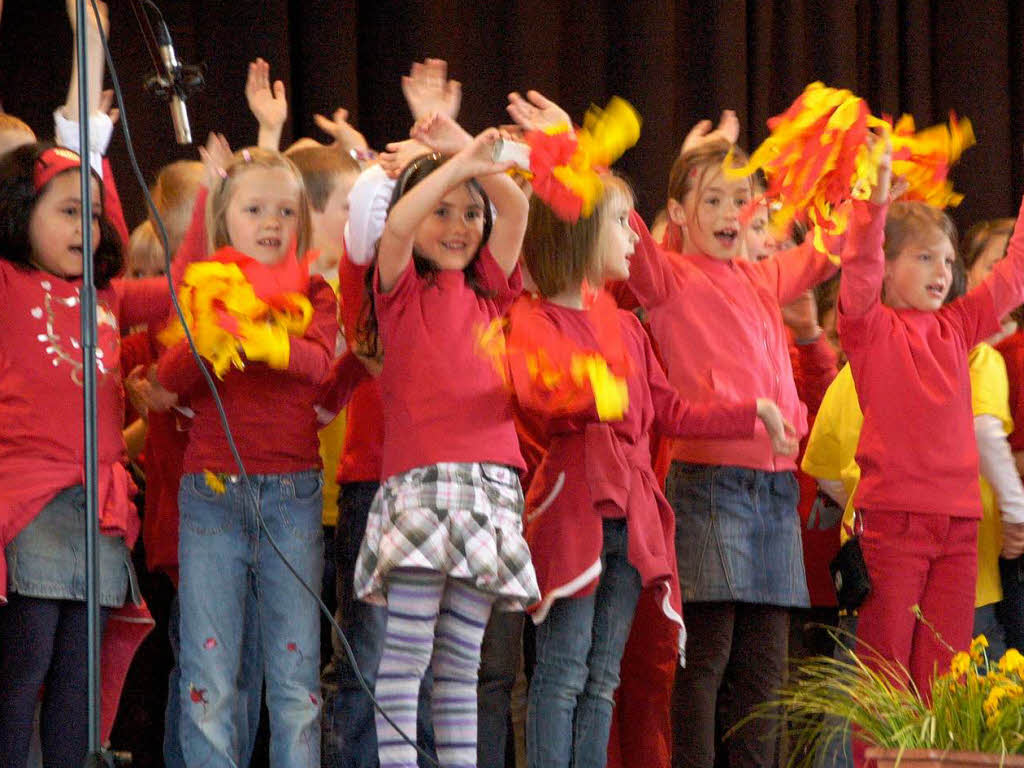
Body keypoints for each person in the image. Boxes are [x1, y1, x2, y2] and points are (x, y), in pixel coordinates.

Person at [508, 165, 796, 768]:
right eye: (620, 222)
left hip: (633, 521)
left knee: (602, 674)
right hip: (575, 515)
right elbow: (538, 394)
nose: (635, 237)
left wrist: (754, 412)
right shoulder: (535, 317)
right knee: (562, 670)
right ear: (580, 232)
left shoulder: (627, 329)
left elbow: (672, 409)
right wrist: (597, 393)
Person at [351, 116, 538, 768]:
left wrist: (466, 149)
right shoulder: (400, 290)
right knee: (406, 656)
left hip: (489, 489)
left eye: (469, 214)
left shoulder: (493, 289)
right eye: (444, 212)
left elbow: (513, 205)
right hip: (423, 487)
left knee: (463, 660)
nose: (458, 226)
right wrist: (449, 167)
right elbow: (399, 225)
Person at [836, 141, 1024, 766]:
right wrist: (876, 197)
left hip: (959, 528)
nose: (942, 270)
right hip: (893, 526)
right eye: (924, 258)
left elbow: (1010, 280)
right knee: (884, 672)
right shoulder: (871, 326)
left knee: (942, 676)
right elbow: (857, 269)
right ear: (888, 269)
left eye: (947, 259)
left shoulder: (958, 328)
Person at [156, 145, 337, 768]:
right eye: (255, 209)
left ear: (302, 225)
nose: (271, 222)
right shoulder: (209, 286)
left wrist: (268, 340)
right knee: (209, 674)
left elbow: (320, 365)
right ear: (224, 221)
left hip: (292, 495)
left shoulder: (314, 290)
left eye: (286, 212)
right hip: (211, 494)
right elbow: (169, 375)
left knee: (296, 679)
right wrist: (210, 335)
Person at [0, 142, 168, 768]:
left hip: (100, 515)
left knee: (81, 682)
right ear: (20, 211)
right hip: (30, 507)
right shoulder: (8, 283)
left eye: (93, 217)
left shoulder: (109, 297)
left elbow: (187, 284)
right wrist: (80, 125)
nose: (87, 229)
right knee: (23, 672)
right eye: (69, 212)